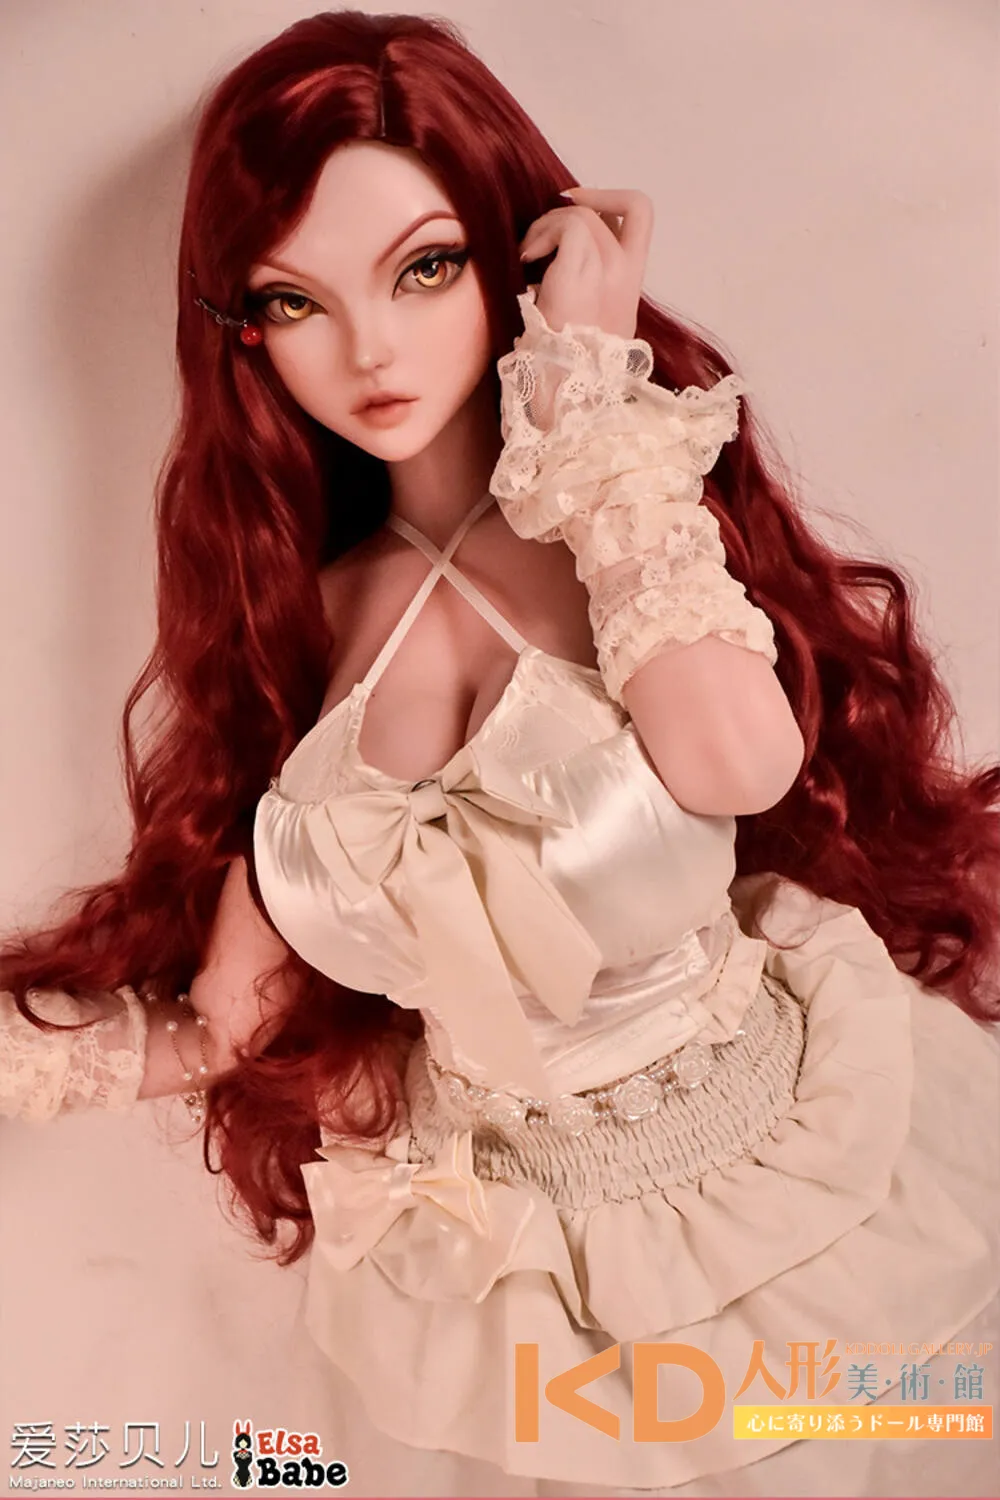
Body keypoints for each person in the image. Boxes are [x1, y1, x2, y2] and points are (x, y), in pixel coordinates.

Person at [2, 8, 998, 1496]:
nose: (369, 349)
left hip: (792, 1183)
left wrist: (586, 387)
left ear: (508, 253)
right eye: (293, 302)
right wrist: (46, 1059)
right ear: (243, 334)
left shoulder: (620, 524)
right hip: (508, 1269)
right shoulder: (298, 627)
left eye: (424, 267)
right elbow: (230, 1021)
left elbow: (740, 767)